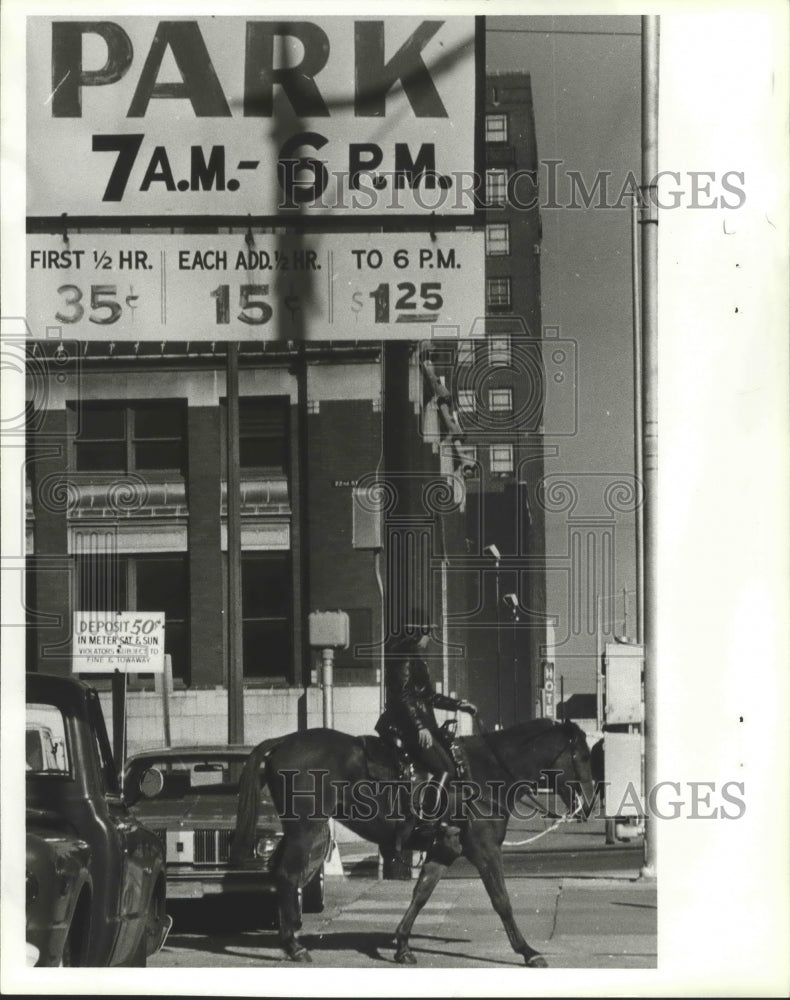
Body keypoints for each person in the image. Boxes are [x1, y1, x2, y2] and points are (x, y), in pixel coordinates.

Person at [378, 628, 477, 783]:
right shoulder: (405, 658)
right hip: (407, 728)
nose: (429, 638)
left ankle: (432, 805)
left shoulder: (415, 659)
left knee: (450, 768)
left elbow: (429, 696)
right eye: (427, 634)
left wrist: (459, 705)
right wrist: (419, 726)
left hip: (418, 726)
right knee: (446, 770)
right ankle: (429, 808)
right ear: (416, 635)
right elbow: (402, 695)